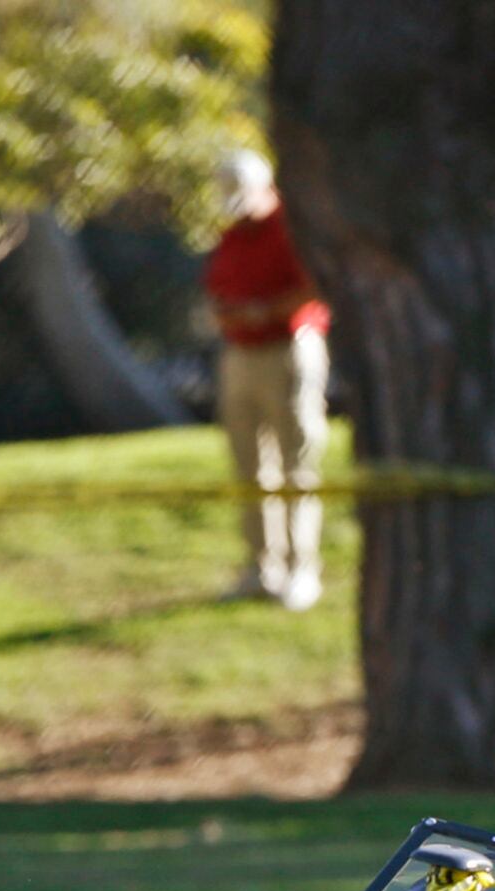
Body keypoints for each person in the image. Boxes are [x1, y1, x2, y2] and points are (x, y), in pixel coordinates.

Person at [204, 149, 327, 610]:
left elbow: (316, 286)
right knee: (249, 466)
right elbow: (217, 285)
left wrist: (266, 311)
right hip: (240, 353)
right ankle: (262, 566)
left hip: (288, 350)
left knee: (296, 463)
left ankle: (302, 568)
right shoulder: (231, 233)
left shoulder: (292, 228)